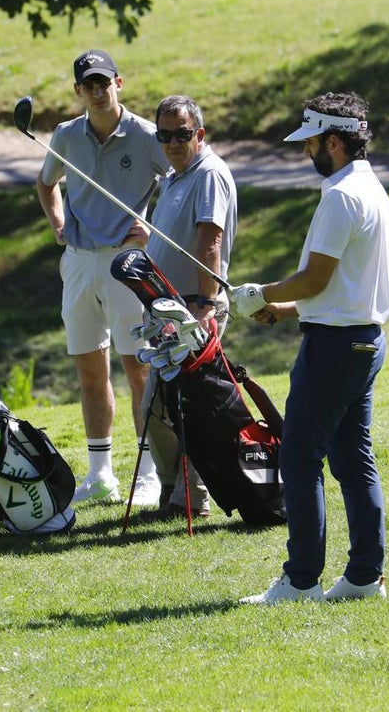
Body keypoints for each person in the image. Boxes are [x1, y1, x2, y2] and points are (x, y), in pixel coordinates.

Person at [232, 92, 389, 603]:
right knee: (353, 460)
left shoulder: (340, 195)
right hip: (365, 342)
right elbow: (338, 285)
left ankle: (301, 580)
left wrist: (262, 294)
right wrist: (282, 310)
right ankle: (366, 577)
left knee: (300, 460)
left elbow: (315, 277)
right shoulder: (372, 189)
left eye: (311, 144)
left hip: (333, 349)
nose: (307, 153)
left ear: (333, 140)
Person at [35, 50, 169, 504]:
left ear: (119, 83)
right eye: (88, 85)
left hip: (128, 263)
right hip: (78, 262)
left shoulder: (148, 136)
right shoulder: (66, 135)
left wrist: (153, 228)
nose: (97, 90)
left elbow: (175, 182)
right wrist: (57, 226)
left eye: (103, 82)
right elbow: (46, 182)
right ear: (78, 91)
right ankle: (100, 475)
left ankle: (149, 474)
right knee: (91, 371)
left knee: (139, 370)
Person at [137, 95, 239, 520]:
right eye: (165, 135)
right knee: (155, 407)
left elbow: (209, 241)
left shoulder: (209, 174)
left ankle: (190, 499)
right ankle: (174, 492)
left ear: (200, 133)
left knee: (186, 407)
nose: (174, 143)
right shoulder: (176, 176)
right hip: (168, 310)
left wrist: (205, 306)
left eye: (182, 134)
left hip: (194, 308)